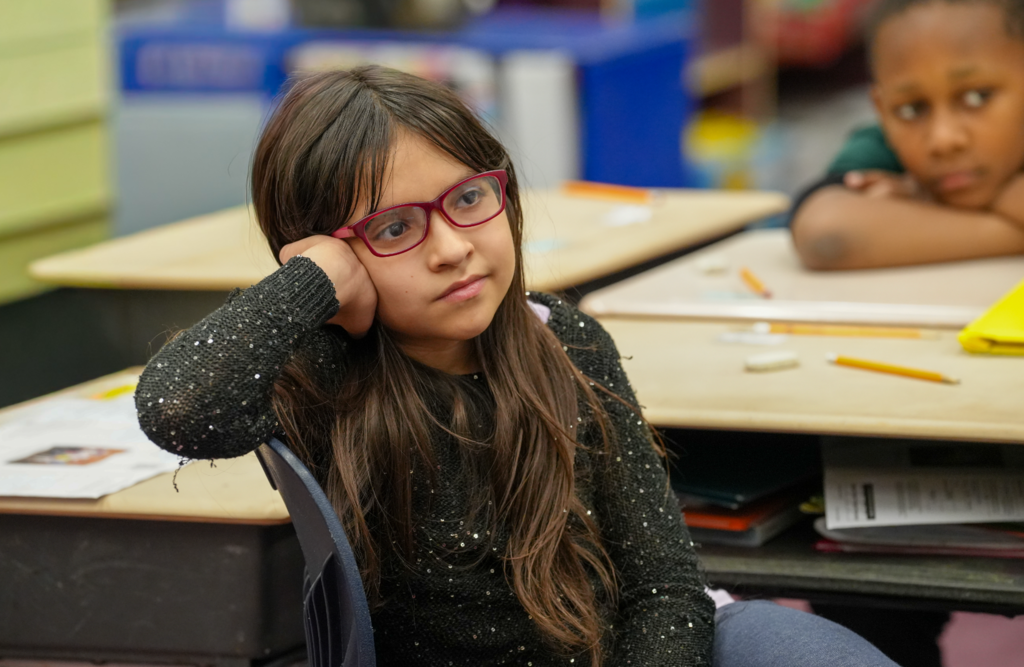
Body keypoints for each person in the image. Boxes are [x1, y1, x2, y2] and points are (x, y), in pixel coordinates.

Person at [136, 66, 899, 667]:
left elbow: (663, 585)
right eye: (393, 227)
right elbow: (178, 407)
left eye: (468, 198)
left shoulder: (564, 340)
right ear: (330, 256)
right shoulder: (323, 374)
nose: (451, 247)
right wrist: (312, 282)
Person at [791, 0, 1024, 270]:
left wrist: (925, 206)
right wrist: (1012, 226)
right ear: (881, 109)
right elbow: (826, 236)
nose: (943, 139)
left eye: (977, 97)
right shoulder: (881, 147)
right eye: (912, 110)